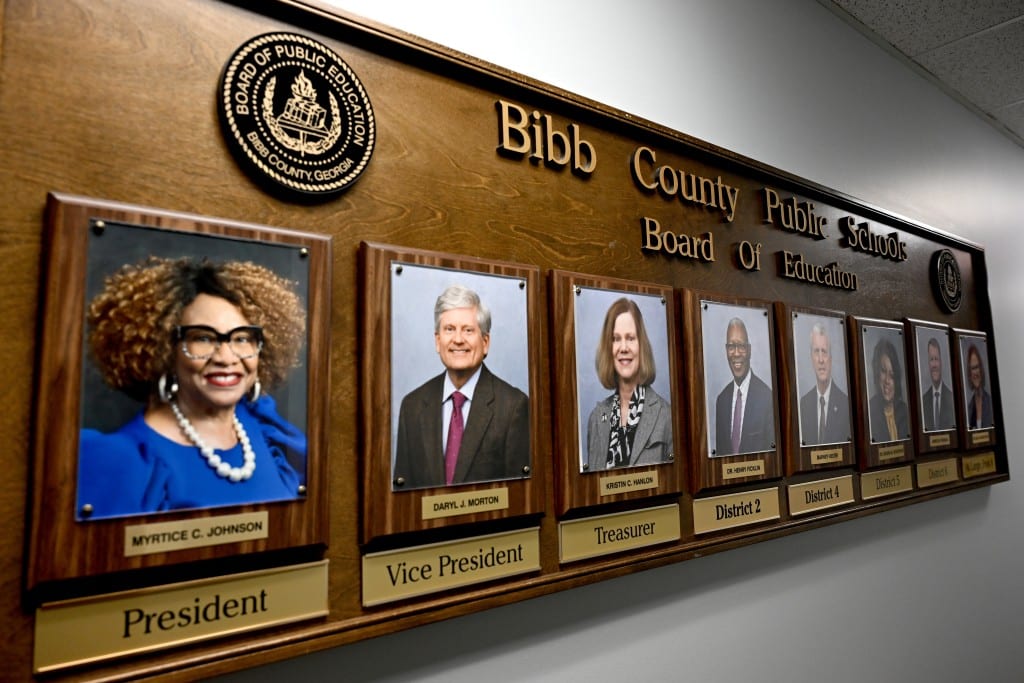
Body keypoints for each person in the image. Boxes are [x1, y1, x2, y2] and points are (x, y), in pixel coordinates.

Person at [77, 257, 308, 520]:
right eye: (203, 338)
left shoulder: (266, 429)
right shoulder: (125, 461)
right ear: (165, 350)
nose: (226, 358)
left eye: (242, 338)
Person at [394, 284, 530, 489]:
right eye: (449, 329)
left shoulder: (513, 407)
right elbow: (404, 495)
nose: (458, 340)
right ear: (438, 341)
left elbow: (521, 496)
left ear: (485, 342)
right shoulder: (412, 406)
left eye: (468, 330)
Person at [585, 298, 673, 471]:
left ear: (641, 345)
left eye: (631, 338)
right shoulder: (596, 418)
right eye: (616, 339)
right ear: (608, 348)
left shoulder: (666, 416)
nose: (623, 347)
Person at [714, 317, 774, 455]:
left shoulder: (767, 398)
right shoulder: (721, 400)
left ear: (749, 350)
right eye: (731, 347)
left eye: (741, 346)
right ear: (726, 350)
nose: (736, 353)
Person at [798, 321, 850, 446]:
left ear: (831, 358)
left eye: (824, 351)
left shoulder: (846, 404)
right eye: (816, 351)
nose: (821, 360)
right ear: (811, 358)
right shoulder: (804, 404)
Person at [867, 337, 910, 443]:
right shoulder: (869, 411)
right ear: (877, 373)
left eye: (892, 375)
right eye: (883, 371)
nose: (887, 380)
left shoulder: (904, 411)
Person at [922, 337, 955, 431]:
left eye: (936, 359)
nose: (934, 365)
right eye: (931, 359)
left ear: (941, 362)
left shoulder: (951, 398)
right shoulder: (923, 401)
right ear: (928, 364)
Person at [965, 342, 994, 429]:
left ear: (981, 369)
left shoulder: (990, 402)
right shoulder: (969, 408)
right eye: (972, 369)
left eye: (977, 367)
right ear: (969, 374)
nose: (975, 373)